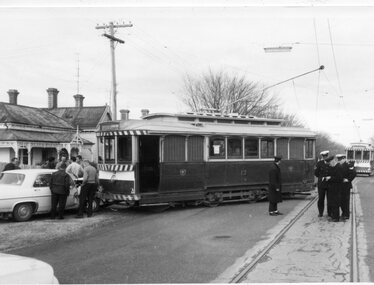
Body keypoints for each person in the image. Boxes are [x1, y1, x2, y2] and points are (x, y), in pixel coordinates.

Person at [337, 154, 356, 220]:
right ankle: (343, 212)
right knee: (341, 200)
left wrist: (348, 179)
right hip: (340, 185)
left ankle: (346, 214)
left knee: (346, 200)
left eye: (341, 159)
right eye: (339, 160)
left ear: (344, 159)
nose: (340, 161)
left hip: (346, 185)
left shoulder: (349, 164)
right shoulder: (338, 165)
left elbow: (354, 173)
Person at [325, 155, 344, 222]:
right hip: (331, 188)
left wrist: (330, 178)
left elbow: (340, 178)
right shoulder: (332, 167)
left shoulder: (339, 167)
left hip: (337, 188)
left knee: (336, 203)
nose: (329, 164)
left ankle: (336, 218)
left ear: (333, 161)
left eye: (329, 163)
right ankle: (333, 216)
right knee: (332, 203)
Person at [314, 150, 331, 217]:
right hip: (321, 184)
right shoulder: (319, 163)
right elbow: (316, 173)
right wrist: (321, 177)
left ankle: (329, 213)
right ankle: (320, 212)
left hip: (329, 183)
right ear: (322, 157)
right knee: (321, 199)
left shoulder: (331, 163)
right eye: (324, 156)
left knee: (329, 199)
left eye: (326, 156)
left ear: (328, 156)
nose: (325, 157)